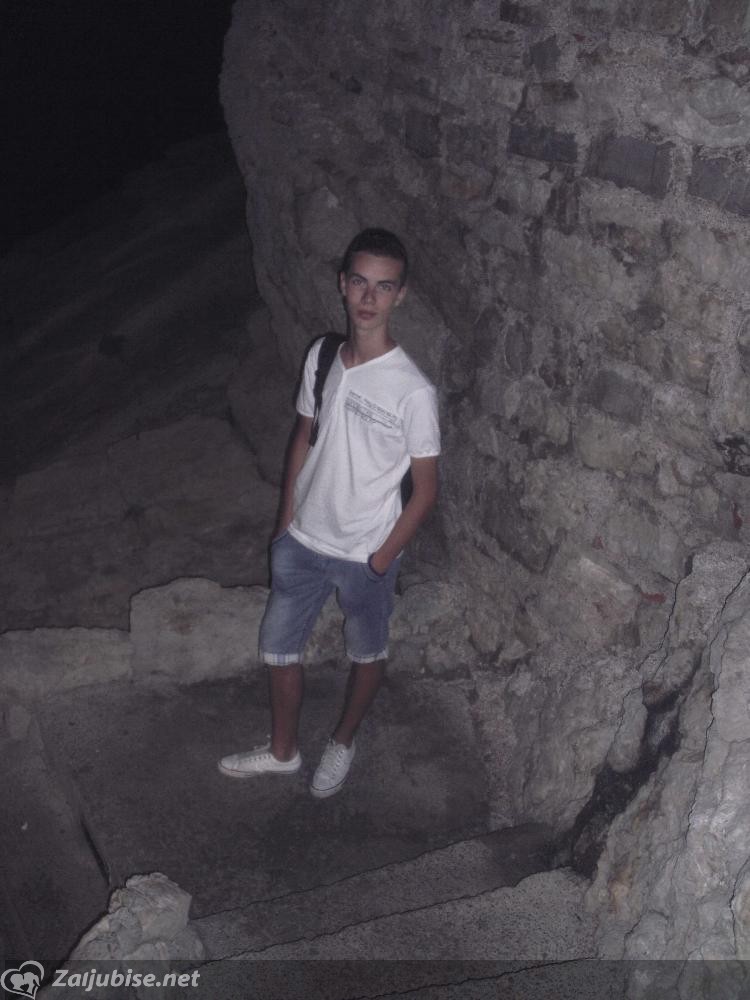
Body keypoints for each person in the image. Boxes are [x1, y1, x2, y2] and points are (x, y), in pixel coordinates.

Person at [218, 228, 440, 797]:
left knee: (367, 651)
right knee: (278, 650)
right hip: (303, 541)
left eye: (383, 287)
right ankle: (283, 752)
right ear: (343, 284)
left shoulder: (412, 391)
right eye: (360, 282)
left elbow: (425, 490)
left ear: (400, 296)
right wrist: (285, 522)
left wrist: (381, 558)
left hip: (366, 552)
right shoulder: (322, 355)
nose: (369, 298)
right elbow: (303, 435)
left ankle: (343, 740)